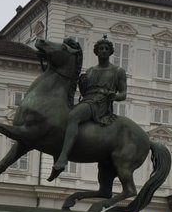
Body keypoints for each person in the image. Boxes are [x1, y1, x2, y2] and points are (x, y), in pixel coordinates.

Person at [51, 35, 126, 179]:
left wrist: (113, 96)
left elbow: (123, 94)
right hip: (87, 100)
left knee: (73, 116)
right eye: (101, 48)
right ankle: (57, 156)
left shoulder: (118, 71)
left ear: (110, 52)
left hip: (100, 103)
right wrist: (82, 84)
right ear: (96, 52)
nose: (103, 51)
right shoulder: (90, 71)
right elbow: (85, 92)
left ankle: (63, 158)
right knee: (60, 120)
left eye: (106, 49)